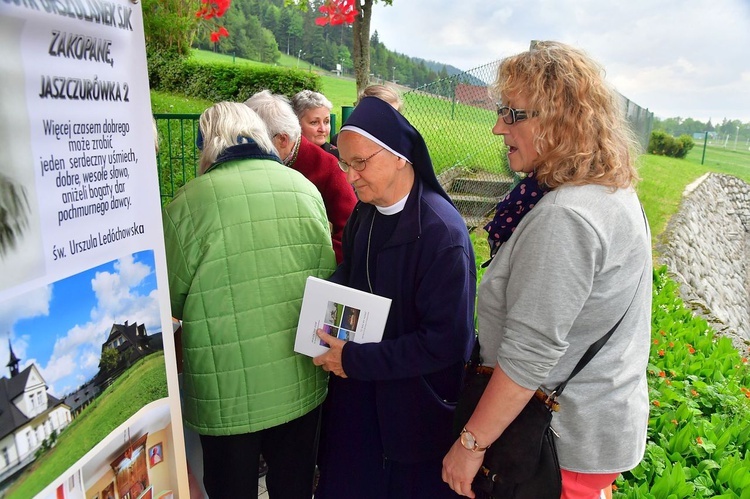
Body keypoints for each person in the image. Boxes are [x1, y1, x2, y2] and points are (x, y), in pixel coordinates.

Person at [441, 41, 652, 499]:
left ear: (562, 121)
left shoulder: (565, 216)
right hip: (590, 430)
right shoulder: (611, 192)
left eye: (514, 115)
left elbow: (529, 352)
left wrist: (470, 443)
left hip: (555, 444)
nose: (499, 127)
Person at [162, 101, 336, 499]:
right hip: (300, 380)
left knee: (230, 489)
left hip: (226, 393)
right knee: (293, 486)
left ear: (207, 144)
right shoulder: (304, 189)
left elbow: (169, 300)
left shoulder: (187, 203)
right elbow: (326, 274)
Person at [313, 96, 477, 498]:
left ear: (401, 156)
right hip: (359, 406)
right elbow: (353, 274)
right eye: (344, 163)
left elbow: (446, 343)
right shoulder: (365, 212)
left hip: (411, 418)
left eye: (360, 163)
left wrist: (354, 359)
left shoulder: (442, 236)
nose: (350, 177)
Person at [245, 90, 356, 264]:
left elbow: (350, 230)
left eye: (257, 141)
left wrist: (318, 268)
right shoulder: (253, 162)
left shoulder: (328, 167)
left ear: (282, 139)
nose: (247, 147)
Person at [291, 89, 339, 157]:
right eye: (314, 122)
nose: (323, 129)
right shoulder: (284, 156)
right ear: (296, 123)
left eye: (326, 122)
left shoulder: (338, 158)